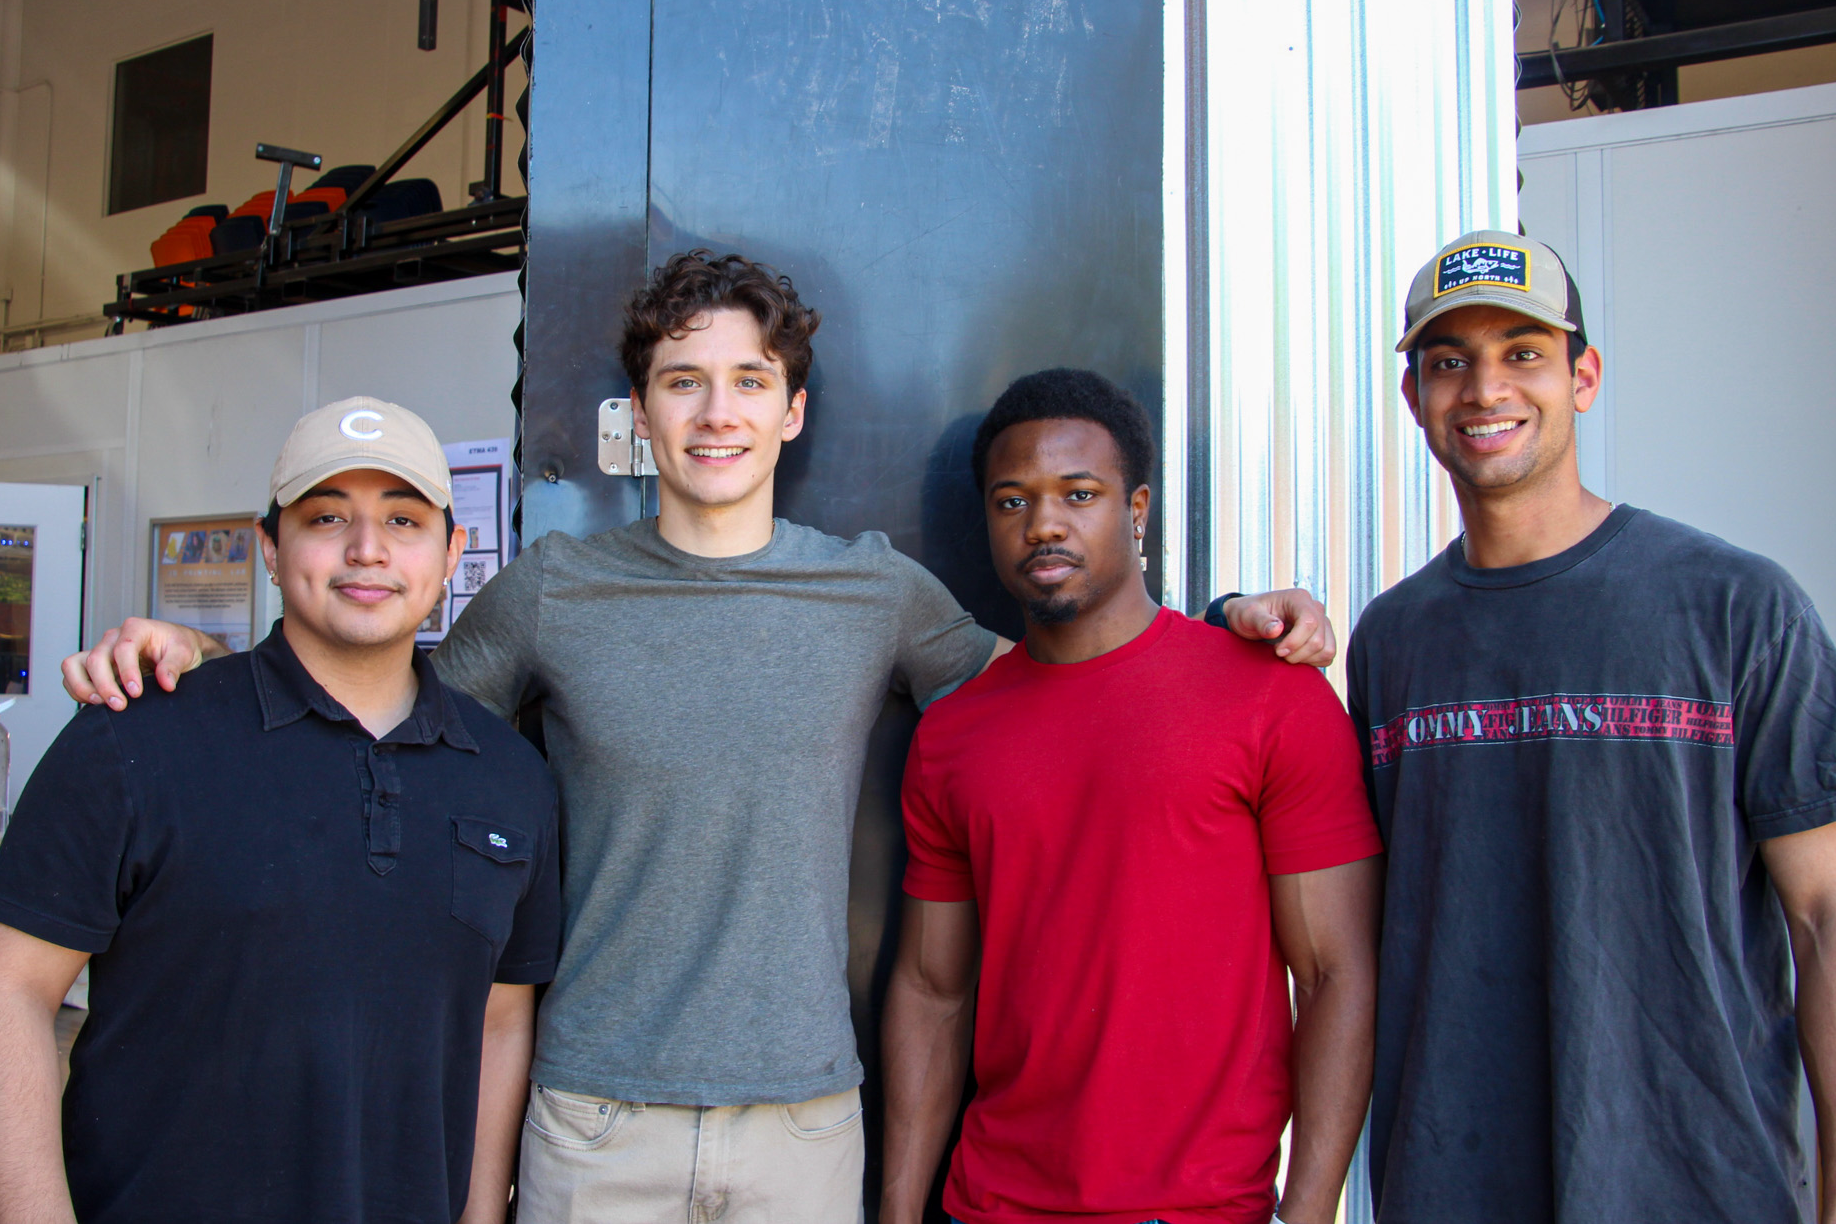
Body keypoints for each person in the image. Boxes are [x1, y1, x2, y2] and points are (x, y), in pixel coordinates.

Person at [61, 253, 1333, 1222]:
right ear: (641, 412)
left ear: (790, 413)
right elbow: (374, 715)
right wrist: (203, 664)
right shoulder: (555, 589)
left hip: (806, 1126)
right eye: (683, 380)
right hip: (592, 1119)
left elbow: (1069, 678)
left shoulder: (875, 592)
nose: (715, 412)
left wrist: (1228, 624)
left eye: (747, 382)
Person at [1345, 230, 1836, 1223]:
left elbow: (1824, 918)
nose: (1486, 390)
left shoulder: (1735, 605)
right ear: (1415, 401)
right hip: (1449, 1185)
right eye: (1450, 362)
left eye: (1523, 353)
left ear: (1584, 377)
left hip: (1702, 1185)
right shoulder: (1391, 641)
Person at [0, 398, 561, 1224]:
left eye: (403, 520)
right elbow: (13, 988)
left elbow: (501, 1022)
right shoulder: (134, 742)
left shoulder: (511, 778)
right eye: (327, 515)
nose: (366, 550)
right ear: (269, 546)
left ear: (452, 553)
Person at [881, 368, 1383, 1224]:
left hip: (1196, 1209)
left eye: (1079, 493)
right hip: (991, 1205)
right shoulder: (953, 736)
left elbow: (1336, 974)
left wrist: (1308, 1214)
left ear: (1137, 509)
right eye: (1012, 501)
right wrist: (897, 1212)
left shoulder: (1270, 696)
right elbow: (934, 990)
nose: (1044, 524)